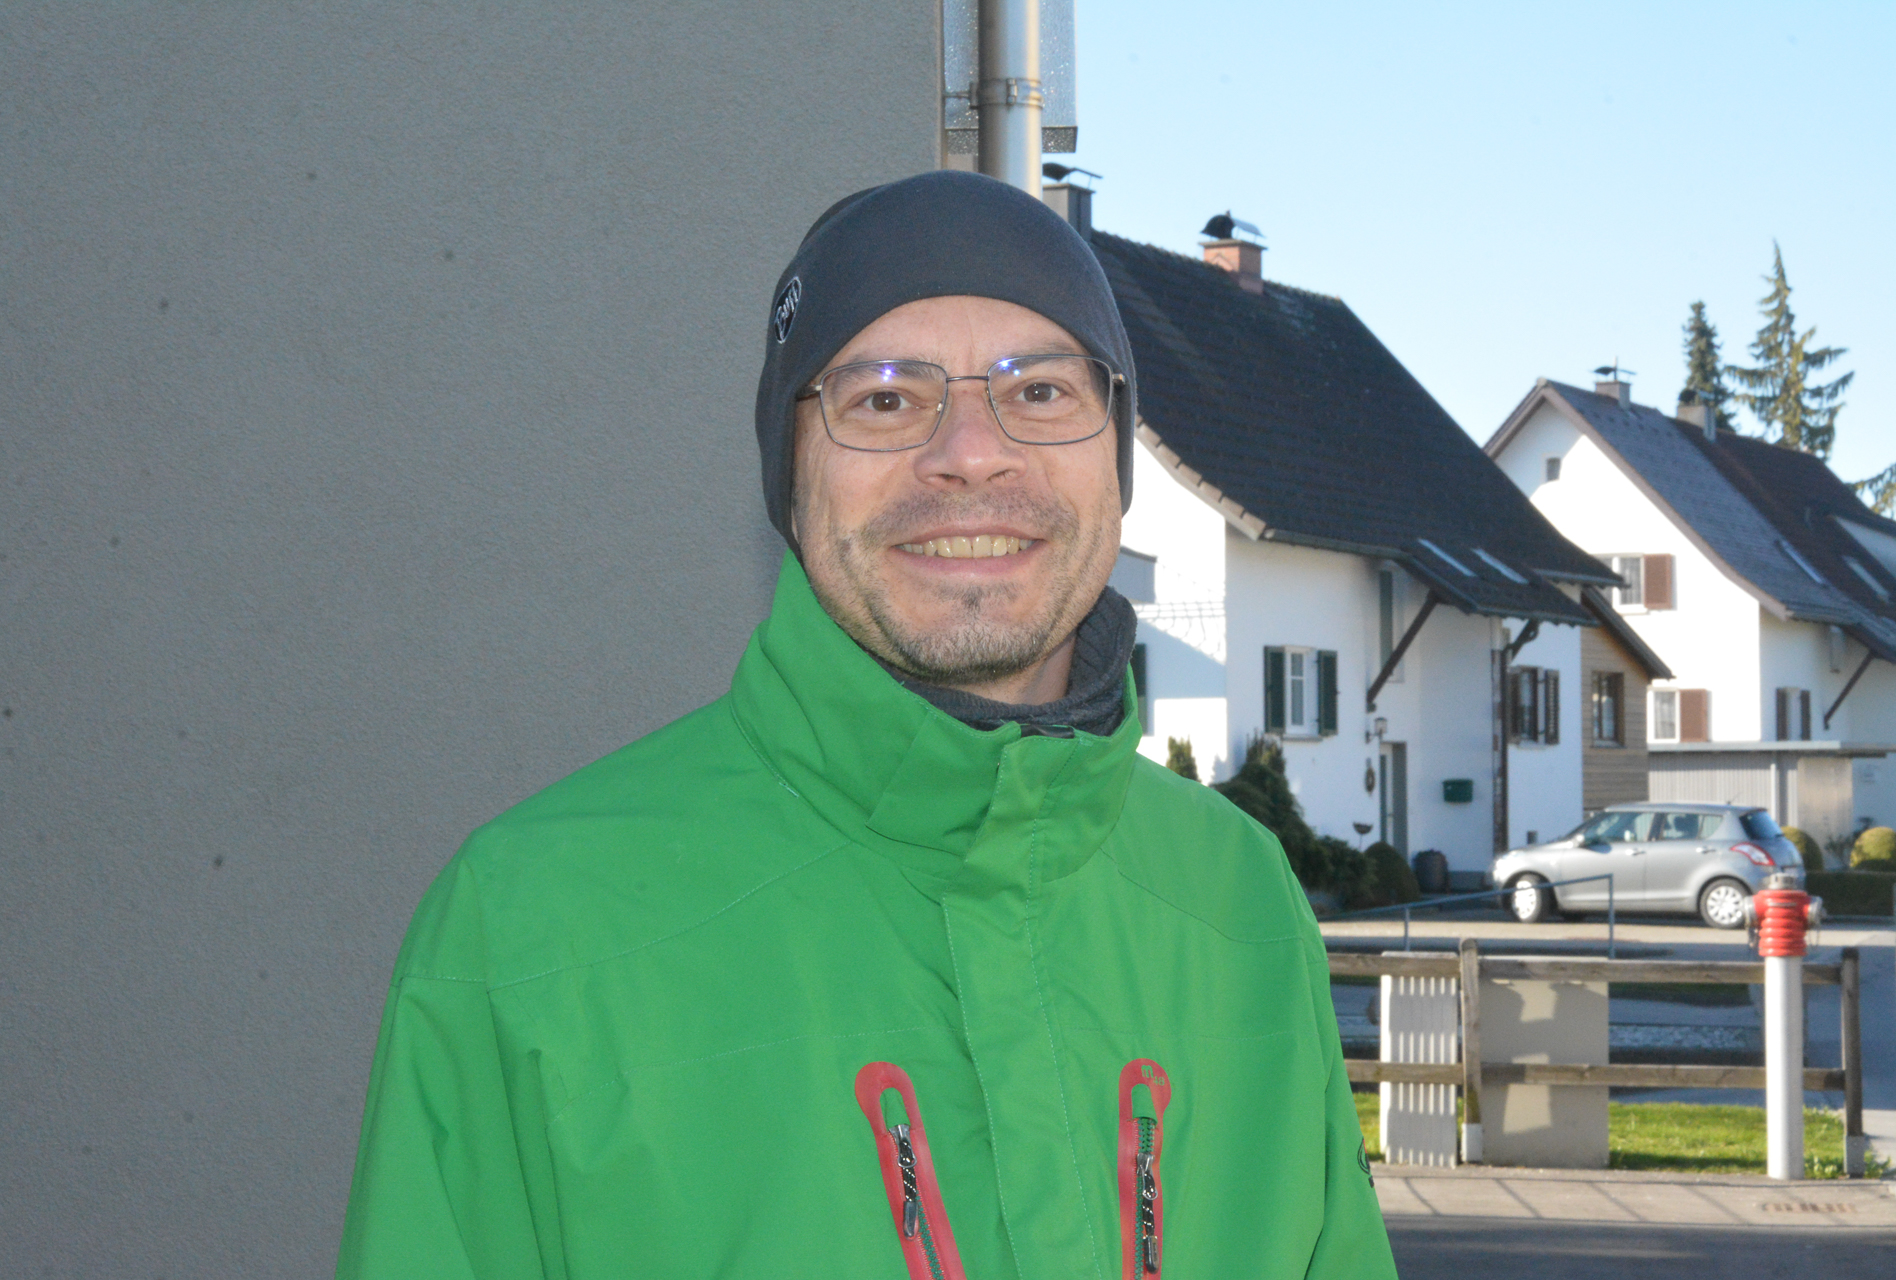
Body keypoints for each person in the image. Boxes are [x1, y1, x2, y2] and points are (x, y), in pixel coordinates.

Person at [337, 170, 1396, 1279]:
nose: (971, 453)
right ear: (791, 479)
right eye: (885, 399)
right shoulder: (526, 931)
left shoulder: (1240, 900)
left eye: (1040, 391)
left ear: (1116, 455)